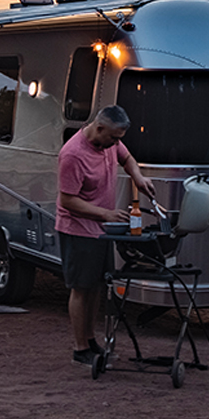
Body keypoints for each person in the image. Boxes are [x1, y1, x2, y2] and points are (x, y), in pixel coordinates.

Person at [55, 105, 154, 365]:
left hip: (100, 231)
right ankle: (80, 348)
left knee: (97, 284)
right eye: (113, 137)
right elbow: (67, 200)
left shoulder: (109, 143)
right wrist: (105, 214)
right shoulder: (73, 155)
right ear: (99, 128)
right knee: (81, 288)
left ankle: (90, 339)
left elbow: (127, 158)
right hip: (77, 229)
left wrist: (139, 178)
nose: (116, 143)